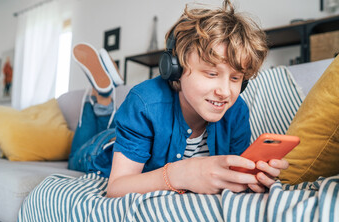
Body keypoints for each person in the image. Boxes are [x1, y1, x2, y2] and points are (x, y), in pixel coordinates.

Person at [69, 0, 289, 198]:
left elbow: (230, 175)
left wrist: (250, 180)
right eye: (211, 74)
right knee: (75, 151)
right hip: (102, 148)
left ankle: (105, 103)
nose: (225, 91)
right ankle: (103, 102)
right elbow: (116, 188)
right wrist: (181, 173)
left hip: (134, 132)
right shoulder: (144, 102)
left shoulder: (237, 110)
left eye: (235, 78)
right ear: (174, 69)